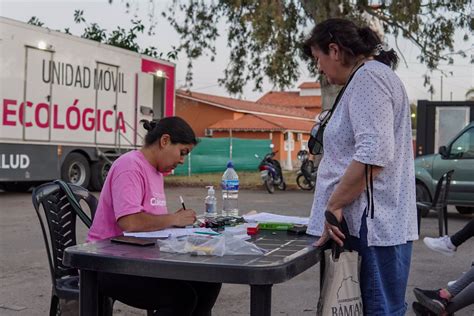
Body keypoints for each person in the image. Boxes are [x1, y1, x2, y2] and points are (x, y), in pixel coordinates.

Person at [303, 18, 418, 315]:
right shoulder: (367, 78)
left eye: (319, 59)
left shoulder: (369, 78)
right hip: (371, 224)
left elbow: (374, 153)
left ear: (335, 50)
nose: (319, 68)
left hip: (370, 227)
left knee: (377, 309)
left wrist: (335, 205)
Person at [87, 117, 221, 316]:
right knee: (182, 298)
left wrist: (177, 225)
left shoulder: (156, 173)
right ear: (164, 141)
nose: (182, 160)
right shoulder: (130, 166)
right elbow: (130, 222)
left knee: (208, 283)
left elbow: (152, 222)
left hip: (141, 259)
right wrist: (172, 219)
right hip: (109, 263)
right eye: (182, 152)